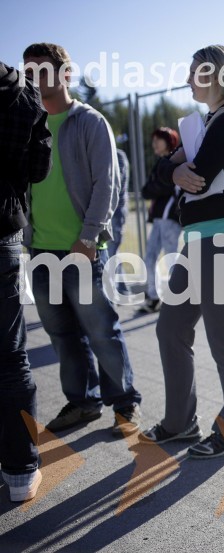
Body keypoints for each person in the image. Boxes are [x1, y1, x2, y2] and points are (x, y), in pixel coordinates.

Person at [138, 45, 224, 459]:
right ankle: (179, 423)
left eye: (195, 72)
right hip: (197, 239)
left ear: (215, 75)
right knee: (170, 327)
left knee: (223, 334)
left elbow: (200, 177)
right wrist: (173, 169)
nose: (188, 79)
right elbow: (158, 178)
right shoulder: (204, 124)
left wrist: (176, 169)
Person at [22, 43, 143, 436]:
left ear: (65, 74)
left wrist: (88, 238)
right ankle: (82, 401)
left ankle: (125, 404)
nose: (35, 79)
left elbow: (106, 184)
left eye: (43, 70)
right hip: (41, 249)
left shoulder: (89, 121)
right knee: (60, 333)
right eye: (29, 72)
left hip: (83, 249)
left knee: (102, 330)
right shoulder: (28, 123)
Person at [0, 59, 51, 501]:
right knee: (11, 357)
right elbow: (38, 169)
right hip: (2, 229)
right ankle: (19, 473)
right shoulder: (21, 92)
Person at [136, 127, 182, 314]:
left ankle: (178, 298)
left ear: (170, 140)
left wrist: (155, 187)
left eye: (159, 139)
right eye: (153, 139)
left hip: (169, 219)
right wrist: (154, 188)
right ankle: (154, 297)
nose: (154, 143)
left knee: (172, 258)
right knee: (150, 257)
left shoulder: (174, 161)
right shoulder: (160, 164)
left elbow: (158, 188)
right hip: (157, 219)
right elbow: (147, 189)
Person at [108, 148, 129, 294]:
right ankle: (122, 290)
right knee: (113, 252)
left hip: (115, 212)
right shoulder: (114, 154)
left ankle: (112, 293)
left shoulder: (117, 155)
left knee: (110, 253)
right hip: (112, 212)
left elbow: (115, 180)